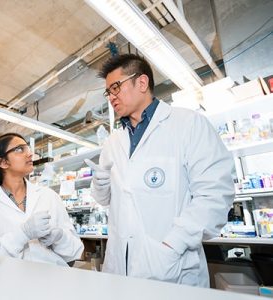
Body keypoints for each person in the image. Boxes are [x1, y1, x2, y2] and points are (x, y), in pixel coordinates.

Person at [84, 54, 235, 287]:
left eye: (116, 87)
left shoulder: (188, 124)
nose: (111, 97)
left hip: (172, 265)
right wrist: (100, 186)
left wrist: (173, 244)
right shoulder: (113, 142)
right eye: (108, 92)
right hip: (119, 267)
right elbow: (108, 201)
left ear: (142, 83)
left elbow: (215, 195)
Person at [0, 133, 83, 266]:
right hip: (7, 282)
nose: (30, 154)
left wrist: (60, 238)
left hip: (52, 279)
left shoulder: (49, 196)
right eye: (20, 149)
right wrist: (23, 234)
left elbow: (75, 252)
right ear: (3, 162)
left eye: (27, 148)